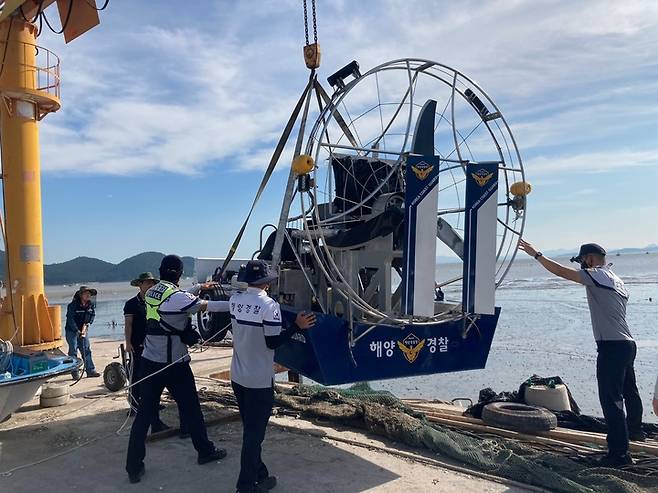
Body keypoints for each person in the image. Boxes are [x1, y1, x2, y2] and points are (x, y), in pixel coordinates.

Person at [519, 240, 644, 466]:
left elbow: (560, 272)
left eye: (582, 261)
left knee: (611, 399)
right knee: (630, 392)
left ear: (590, 258)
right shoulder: (618, 280)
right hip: (628, 344)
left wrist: (536, 254)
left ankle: (619, 454)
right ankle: (635, 432)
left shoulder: (597, 274)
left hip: (612, 347)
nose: (582, 265)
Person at [125, 255, 229, 484]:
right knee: (192, 409)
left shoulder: (153, 292)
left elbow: (179, 295)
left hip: (150, 361)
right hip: (174, 364)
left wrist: (201, 286)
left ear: (160, 272)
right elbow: (206, 305)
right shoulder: (177, 298)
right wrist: (238, 303)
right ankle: (205, 451)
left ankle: (133, 467)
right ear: (179, 274)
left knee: (143, 416)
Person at [230, 260, 316, 493]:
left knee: (250, 429)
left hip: (237, 377)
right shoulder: (269, 306)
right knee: (253, 437)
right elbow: (273, 342)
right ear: (268, 283)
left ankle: (260, 473)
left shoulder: (235, 300)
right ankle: (245, 487)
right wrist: (297, 326)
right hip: (258, 381)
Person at [124, 272, 170, 432]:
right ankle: (134, 405)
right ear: (140, 285)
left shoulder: (156, 302)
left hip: (154, 345)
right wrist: (128, 342)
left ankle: (153, 404)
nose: (150, 286)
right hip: (137, 345)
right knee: (136, 375)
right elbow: (128, 324)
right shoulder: (132, 304)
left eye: (152, 283)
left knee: (154, 377)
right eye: (147, 283)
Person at [65, 286, 100, 379]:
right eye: (86, 293)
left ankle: (90, 370)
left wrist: (89, 323)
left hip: (83, 329)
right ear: (81, 295)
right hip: (72, 331)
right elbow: (70, 319)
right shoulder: (72, 305)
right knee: (73, 351)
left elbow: (92, 314)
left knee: (86, 349)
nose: (88, 295)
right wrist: (77, 330)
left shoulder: (90, 305)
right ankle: (75, 372)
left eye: (89, 293)